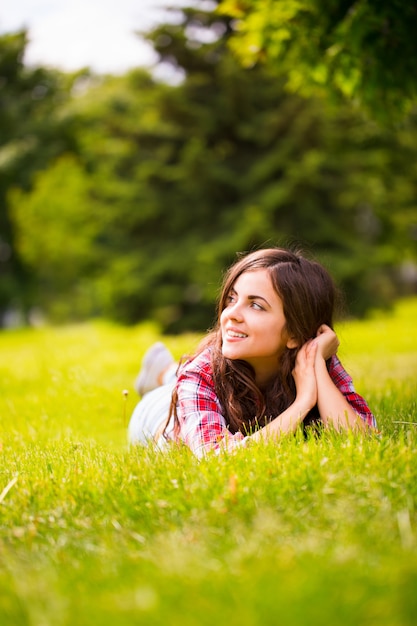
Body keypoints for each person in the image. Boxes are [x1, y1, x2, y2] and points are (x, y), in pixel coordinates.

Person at [128, 247, 376, 457]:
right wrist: (303, 401)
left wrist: (317, 367)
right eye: (232, 299)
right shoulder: (200, 372)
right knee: (179, 382)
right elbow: (216, 457)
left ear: (295, 335)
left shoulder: (311, 357)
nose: (231, 314)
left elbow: (362, 442)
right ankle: (165, 374)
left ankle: (167, 372)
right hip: (155, 416)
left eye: (256, 305)